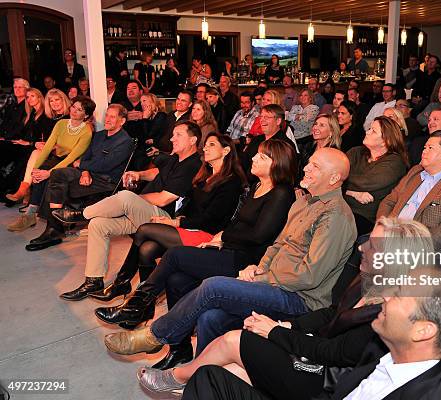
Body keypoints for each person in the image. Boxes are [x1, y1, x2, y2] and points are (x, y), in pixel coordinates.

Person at [135, 217, 433, 397]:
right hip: (316, 352)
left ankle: (177, 376)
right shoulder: (368, 281)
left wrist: (276, 331)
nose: (361, 248)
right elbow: (331, 313)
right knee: (222, 371)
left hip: (326, 379)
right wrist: (291, 326)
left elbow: (336, 355)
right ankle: (186, 379)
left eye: (373, 246)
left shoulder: (395, 311)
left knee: (234, 339)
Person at [104, 148, 357, 359]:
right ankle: (202, 377)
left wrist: (263, 278)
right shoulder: (303, 201)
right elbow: (277, 245)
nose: (306, 169)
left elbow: (309, 276)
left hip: (299, 298)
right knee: (210, 317)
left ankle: (155, 335)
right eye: (309, 164)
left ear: (334, 178)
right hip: (273, 280)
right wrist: (258, 268)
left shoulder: (334, 216)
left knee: (213, 286)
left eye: (315, 167)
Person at [97, 139, 297, 369]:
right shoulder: (257, 186)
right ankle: (179, 349)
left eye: (262, 157)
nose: (253, 158)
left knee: (174, 255)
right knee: (175, 279)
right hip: (229, 249)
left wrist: (223, 238)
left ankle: (136, 306)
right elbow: (237, 225)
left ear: (277, 163)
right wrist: (219, 239)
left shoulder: (282, 193)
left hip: (245, 261)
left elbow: (259, 236)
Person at [177, 266, 441, 400]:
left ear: (423, 330)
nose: (387, 298)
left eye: (401, 297)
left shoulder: (429, 393)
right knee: (210, 378)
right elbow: (334, 383)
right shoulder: (385, 350)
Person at [92, 132, 246, 308]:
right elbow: (190, 206)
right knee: (146, 249)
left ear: (226, 150)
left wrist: (176, 222)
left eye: (211, 145)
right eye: (206, 145)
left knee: (144, 229)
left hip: (207, 235)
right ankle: (143, 305)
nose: (205, 148)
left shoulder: (230, 182)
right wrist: (179, 218)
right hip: (190, 228)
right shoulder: (204, 176)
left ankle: (124, 285)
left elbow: (211, 220)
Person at [57, 121, 202, 301]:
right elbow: (157, 172)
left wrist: (132, 201)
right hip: (146, 213)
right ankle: (93, 280)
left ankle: (81, 214)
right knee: (98, 225)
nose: (172, 138)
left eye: (178, 135)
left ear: (192, 140)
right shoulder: (175, 158)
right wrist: (138, 174)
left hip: (163, 219)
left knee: (125, 197)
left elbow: (165, 198)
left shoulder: (192, 165)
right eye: (172, 134)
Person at [24, 104, 134, 251]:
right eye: (107, 115)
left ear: (122, 121)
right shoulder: (100, 135)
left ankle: (53, 229)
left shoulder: (125, 142)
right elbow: (86, 155)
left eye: (112, 116)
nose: (107, 119)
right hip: (89, 174)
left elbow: (105, 165)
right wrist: (85, 171)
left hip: (105, 182)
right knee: (57, 173)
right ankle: (55, 227)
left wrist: (83, 165)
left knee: (57, 185)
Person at [377, 131, 441, 251]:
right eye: (425, 147)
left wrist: (407, 239)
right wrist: (383, 226)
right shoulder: (416, 171)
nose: (424, 151)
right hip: (389, 234)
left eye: (430, 148)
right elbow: (389, 201)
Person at [7, 96, 95, 233]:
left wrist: (48, 173)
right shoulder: (61, 124)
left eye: (80, 110)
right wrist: (35, 169)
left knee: (46, 171)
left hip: (72, 163)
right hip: (57, 158)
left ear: (86, 115)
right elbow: (48, 147)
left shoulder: (86, 132)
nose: (74, 111)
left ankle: (31, 214)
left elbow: (72, 157)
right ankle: (31, 213)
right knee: (41, 169)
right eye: (73, 107)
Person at [5, 89, 71, 203]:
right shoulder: (50, 118)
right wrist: (40, 144)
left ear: (63, 100)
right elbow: (46, 138)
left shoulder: (69, 117)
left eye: (57, 100)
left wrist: (48, 146)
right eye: (51, 101)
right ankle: (25, 188)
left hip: (64, 152)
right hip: (49, 150)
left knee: (33, 153)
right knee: (34, 152)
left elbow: (69, 141)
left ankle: (25, 190)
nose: (54, 103)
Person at [345, 116, 407, 235]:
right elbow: (334, 175)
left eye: (373, 131)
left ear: (386, 141)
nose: (367, 132)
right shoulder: (355, 152)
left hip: (363, 216)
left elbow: (364, 183)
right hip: (340, 206)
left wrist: (343, 186)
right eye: (369, 129)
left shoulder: (395, 162)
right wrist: (352, 192)